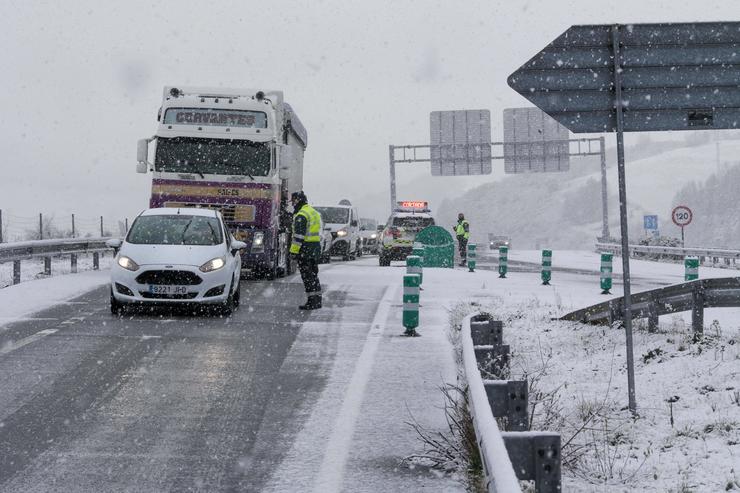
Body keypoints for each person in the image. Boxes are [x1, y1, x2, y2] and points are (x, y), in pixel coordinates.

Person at [290, 191, 323, 310]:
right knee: (313, 275)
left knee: (307, 277)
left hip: (305, 250)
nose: (292, 203)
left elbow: (298, 237)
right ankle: (317, 300)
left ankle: (312, 301)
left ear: (298, 200)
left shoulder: (301, 215)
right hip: (314, 249)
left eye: (293, 201)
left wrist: (293, 252)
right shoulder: (313, 212)